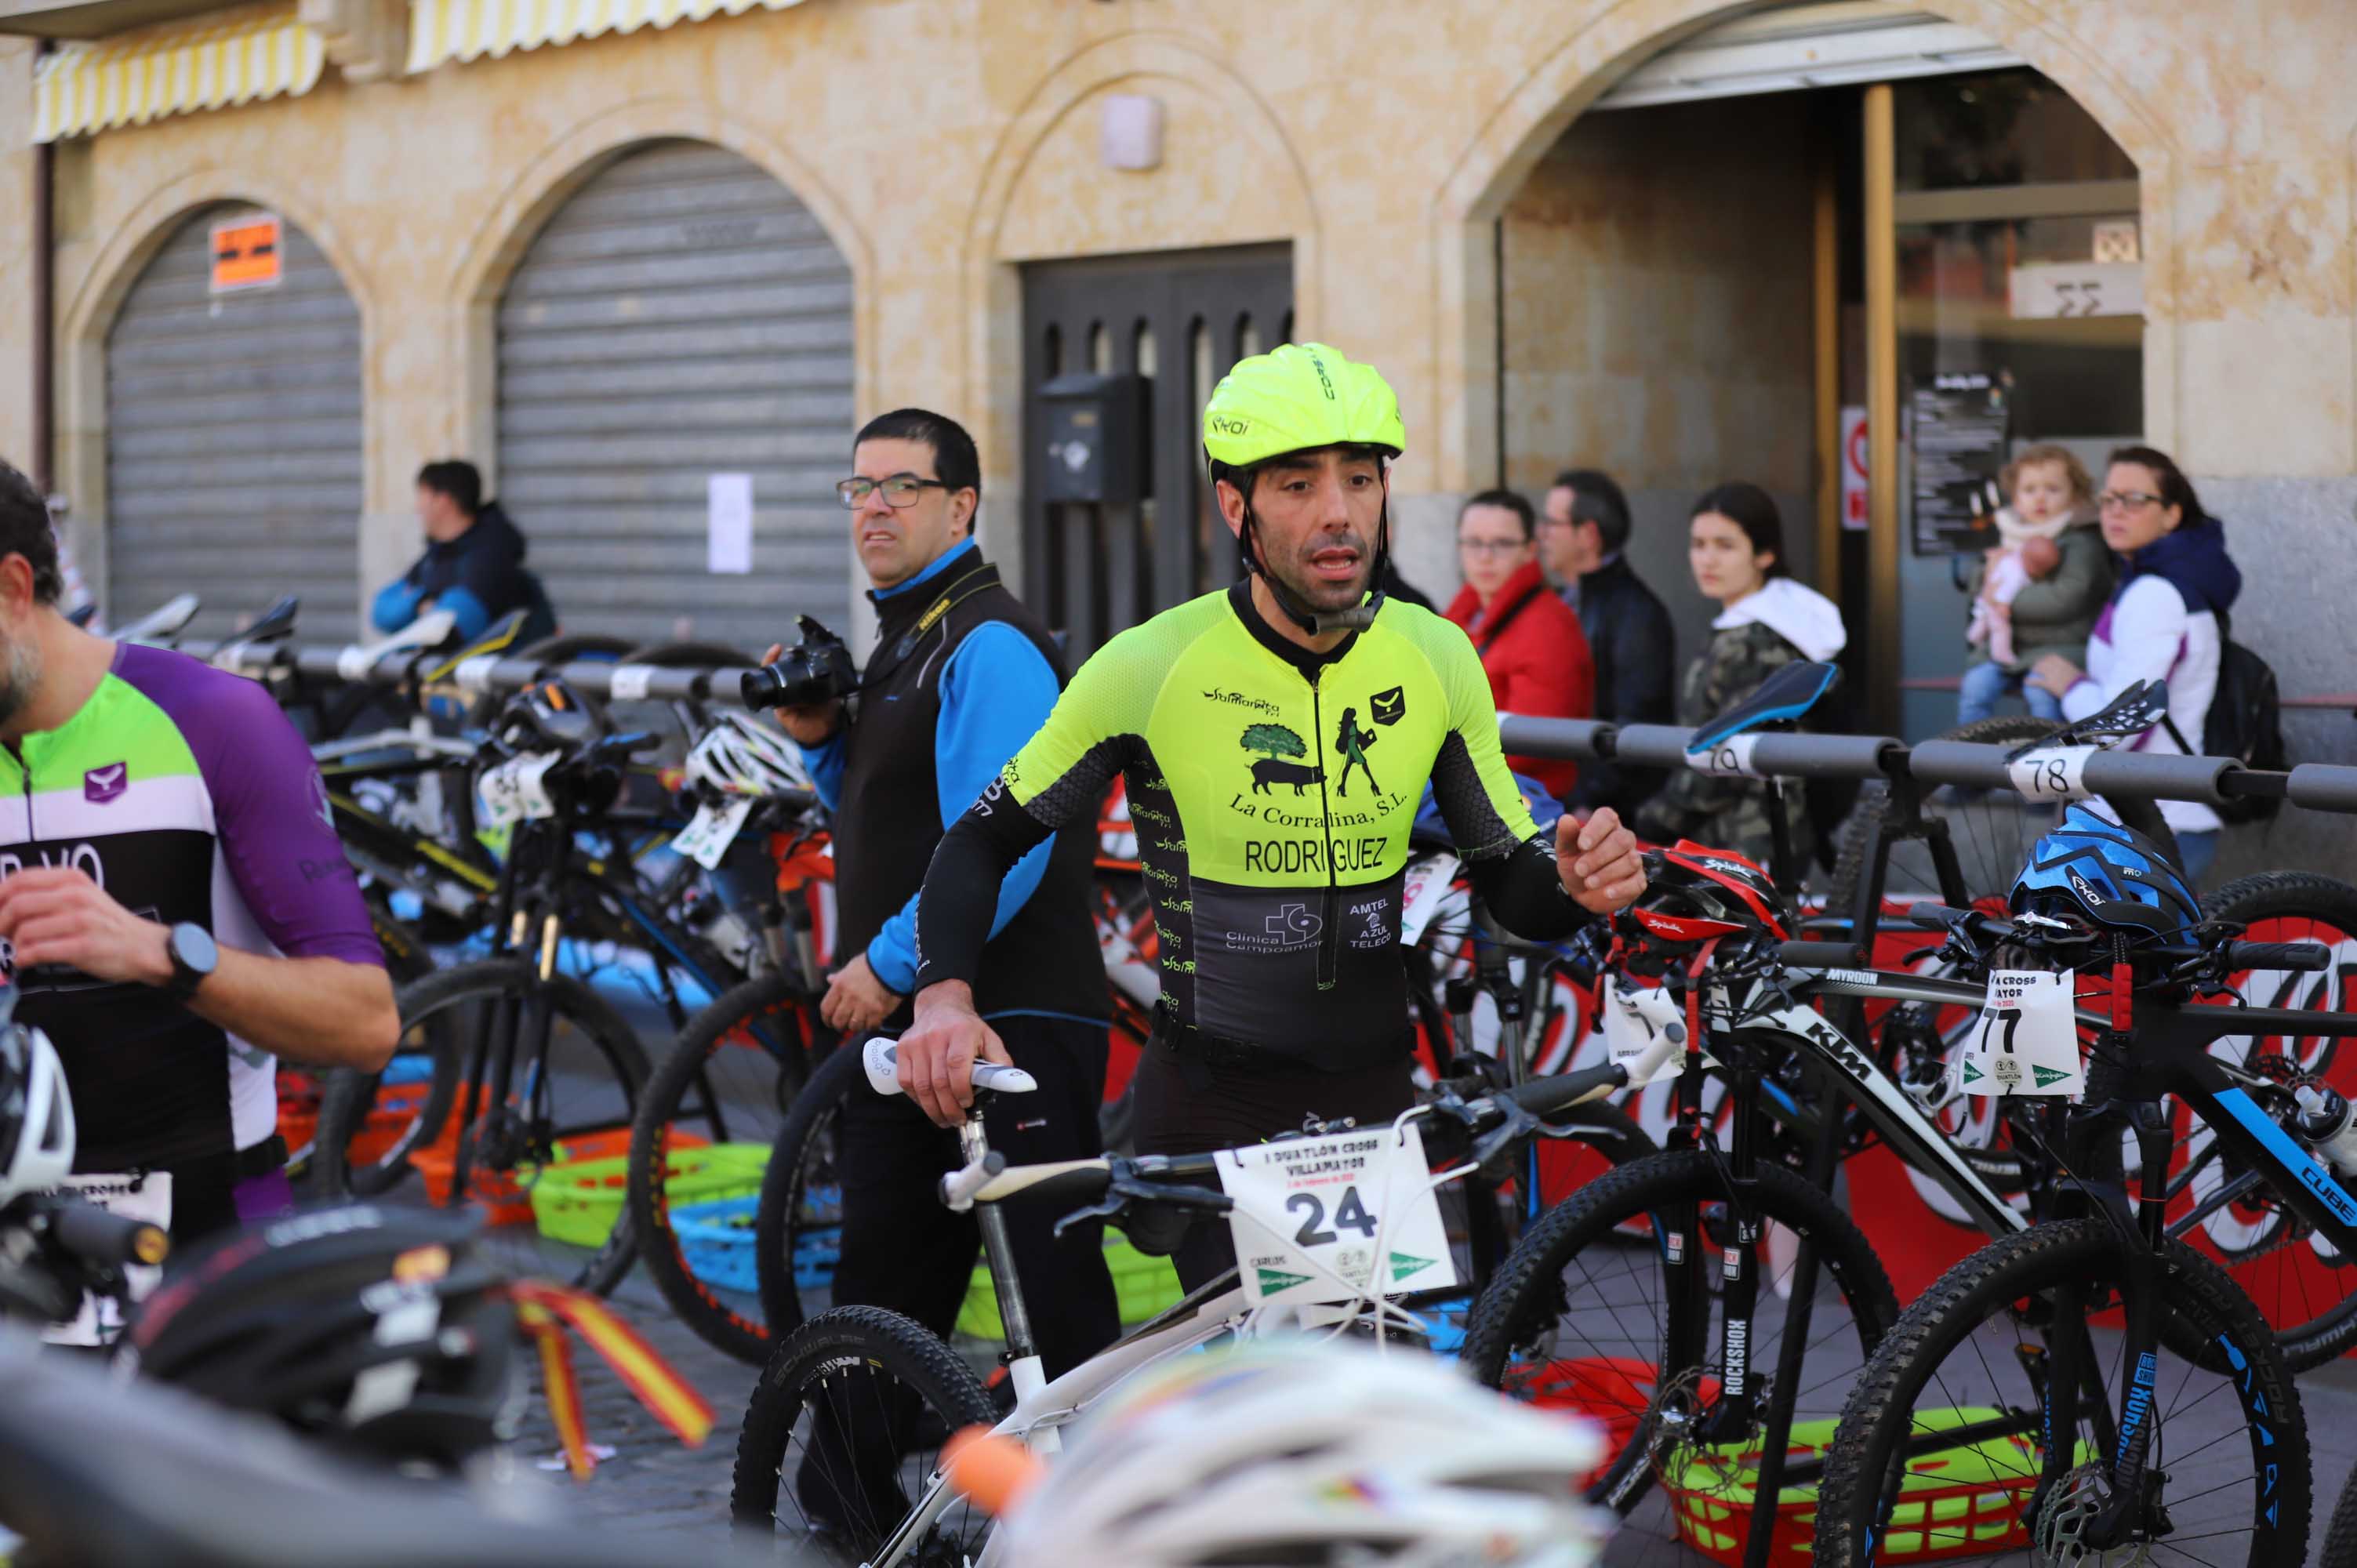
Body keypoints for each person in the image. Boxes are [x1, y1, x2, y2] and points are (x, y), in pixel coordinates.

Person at [892, 344, 1647, 1291]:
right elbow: (982, 836)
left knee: (1372, 1410)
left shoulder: (1435, 655)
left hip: (1374, 1109)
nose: (1339, 511)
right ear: (1234, 507)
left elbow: (1512, 877)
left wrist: (1573, 883)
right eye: (1298, 483)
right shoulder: (1151, 664)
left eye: (1361, 479)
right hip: (1215, 1111)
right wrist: (944, 996)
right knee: (1279, 1411)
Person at [762, 409, 1119, 1386]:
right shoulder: (910, 632)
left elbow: (1004, 849)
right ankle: (856, 1519)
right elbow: (893, 820)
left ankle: (1088, 1523)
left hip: (1014, 1013)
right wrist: (825, 743)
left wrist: (885, 965)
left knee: (1054, 1305)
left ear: (961, 504)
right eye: (859, 488)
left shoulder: (990, 642)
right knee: (885, 1291)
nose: (874, 507)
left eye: (902, 487)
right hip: (923, 1015)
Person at [0, 459, 398, 1251]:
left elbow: (366, 1020)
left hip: (204, 1236)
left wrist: (162, 953)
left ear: (13, 587)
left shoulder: (214, 718)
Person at [2028, 446, 2239, 882]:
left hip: (2146, 823)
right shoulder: (2167, 581)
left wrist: (2070, 687)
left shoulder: (2155, 595)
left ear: (2172, 514)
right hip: (2151, 816)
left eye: (2135, 499)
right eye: (2108, 499)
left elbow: (2119, 727)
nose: (2115, 511)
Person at [1636, 481, 1846, 870]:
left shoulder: (1757, 639)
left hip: (1750, 842)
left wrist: (1655, 819)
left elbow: (1726, 754)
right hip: (1740, 835)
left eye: (1725, 545)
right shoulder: (1751, 626)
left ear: (1765, 553)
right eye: (1698, 545)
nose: (1707, 560)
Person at [1539, 468, 1675, 822]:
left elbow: (1635, 725)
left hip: (1603, 816)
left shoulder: (1638, 614)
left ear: (1588, 535)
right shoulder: (1555, 600)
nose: (1541, 535)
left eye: (1551, 523)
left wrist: (1590, 800)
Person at [1444, 488, 1593, 799]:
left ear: (1530, 550)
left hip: (1525, 807)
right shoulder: (1462, 615)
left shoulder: (1549, 627)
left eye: (1502, 544)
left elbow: (1529, 747)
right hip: (1470, 796)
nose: (1485, 556)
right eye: (1473, 543)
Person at [1957, 445, 2110, 726]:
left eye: (2053, 489)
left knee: (2040, 695)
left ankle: (2048, 756)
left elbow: (2067, 596)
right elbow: (1978, 591)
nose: (2040, 498)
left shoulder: (2081, 542)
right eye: (2029, 490)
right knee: (1975, 688)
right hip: (2009, 649)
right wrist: (1985, 575)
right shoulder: (2009, 538)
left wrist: (2002, 601)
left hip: (2063, 647)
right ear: (2015, 499)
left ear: (2075, 496)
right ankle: (1969, 755)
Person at [371, 461, 557, 644]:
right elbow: (381, 610)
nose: (417, 508)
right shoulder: (435, 557)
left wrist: (414, 613)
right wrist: (420, 603)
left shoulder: (491, 556)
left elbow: (446, 629)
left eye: (422, 497)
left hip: (504, 670)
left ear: (442, 501)